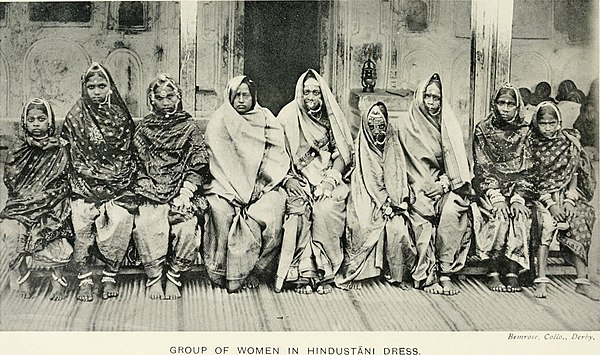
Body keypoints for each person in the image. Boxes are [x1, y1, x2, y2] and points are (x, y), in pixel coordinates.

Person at [384, 73, 474, 296]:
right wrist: (409, 192)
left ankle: (445, 271)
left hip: (443, 185)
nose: (432, 103)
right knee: (421, 217)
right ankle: (426, 275)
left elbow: (458, 166)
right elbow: (395, 163)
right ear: (419, 97)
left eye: (436, 98)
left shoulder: (448, 125)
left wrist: (443, 185)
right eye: (428, 96)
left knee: (454, 209)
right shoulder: (403, 125)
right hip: (412, 187)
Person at [203, 76, 289, 293]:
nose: (241, 100)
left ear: (254, 97)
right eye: (236, 96)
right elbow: (220, 162)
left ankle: (254, 270)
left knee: (273, 210)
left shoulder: (266, 118)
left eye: (246, 95)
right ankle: (222, 272)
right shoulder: (219, 121)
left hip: (262, 187)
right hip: (226, 186)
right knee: (220, 211)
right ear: (229, 98)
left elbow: (276, 156)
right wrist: (239, 192)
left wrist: (257, 190)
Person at [61, 62, 137, 302]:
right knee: (80, 216)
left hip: (116, 182)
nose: (96, 91)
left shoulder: (119, 114)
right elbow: (69, 156)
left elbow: (126, 153)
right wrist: (90, 179)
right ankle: (84, 277)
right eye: (91, 86)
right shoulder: (76, 114)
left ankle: (109, 275)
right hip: (84, 183)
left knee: (122, 217)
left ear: (110, 87)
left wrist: (112, 178)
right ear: (84, 87)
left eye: (101, 86)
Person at [275, 69, 354, 295]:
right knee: (298, 211)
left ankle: (325, 273)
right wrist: (288, 178)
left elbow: (342, 154)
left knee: (326, 209)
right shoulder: (288, 115)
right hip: (295, 178)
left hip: (328, 177)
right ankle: (302, 274)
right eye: (306, 92)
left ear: (323, 95)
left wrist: (329, 182)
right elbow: (276, 153)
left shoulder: (332, 117)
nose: (311, 97)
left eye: (316, 92)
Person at [132, 74, 209, 300]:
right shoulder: (145, 129)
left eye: (170, 96)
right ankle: (154, 276)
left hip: (181, 191)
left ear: (179, 97)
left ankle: (174, 275)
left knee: (186, 226)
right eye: (160, 97)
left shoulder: (188, 127)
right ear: (152, 100)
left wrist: (186, 192)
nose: (166, 102)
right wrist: (148, 187)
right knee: (147, 223)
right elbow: (136, 163)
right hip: (152, 189)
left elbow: (199, 162)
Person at [335, 102, 416, 290]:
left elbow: (400, 178)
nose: (376, 131)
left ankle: (397, 274)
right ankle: (359, 274)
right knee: (363, 224)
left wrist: (398, 202)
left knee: (397, 227)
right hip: (365, 198)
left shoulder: (394, 146)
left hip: (391, 201)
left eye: (381, 125)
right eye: (371, 126)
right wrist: (382, 204)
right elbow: (364, 182)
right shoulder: (360, 148)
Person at [0, 98, 73, 300]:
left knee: (52, 229)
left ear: (49, 122)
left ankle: (56, 279)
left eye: (41, 119)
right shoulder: (19, 148)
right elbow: (12, 180)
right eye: (31, 120)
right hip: (22, 204)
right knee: (11, 230)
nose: (36, 124)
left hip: (50, 202)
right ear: (25, 122)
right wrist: (30, 198)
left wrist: (45, 198)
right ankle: (23, 275)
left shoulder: (59, 147)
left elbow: (64, 178)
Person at [528, 102, 598, 301]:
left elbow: (572, 174)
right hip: (541, 198)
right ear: (537, 123)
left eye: (552, 123)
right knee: (546, 225)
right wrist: (552, 205)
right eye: (543, 124)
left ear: (559, 122)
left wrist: (568, 200)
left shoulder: (567, 142)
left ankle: (582, 281)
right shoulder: (531, 144)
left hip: (565, 195)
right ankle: (541, 280)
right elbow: (534, 180)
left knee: (581, 216)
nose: (548, 128)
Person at [473, 84, 535, 293]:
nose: (505, 108)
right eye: (501, 103)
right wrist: (496, 196)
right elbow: (482, 167)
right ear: (494, 104)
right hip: (490, 188)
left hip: (519, 188)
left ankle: (512, 270)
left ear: (518, 106)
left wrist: (518, 197)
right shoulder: (483, 129)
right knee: (497, 215)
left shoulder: (526, 131)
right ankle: (493, 271)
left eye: (510, 104)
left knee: (520, 216)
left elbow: (530, 168)